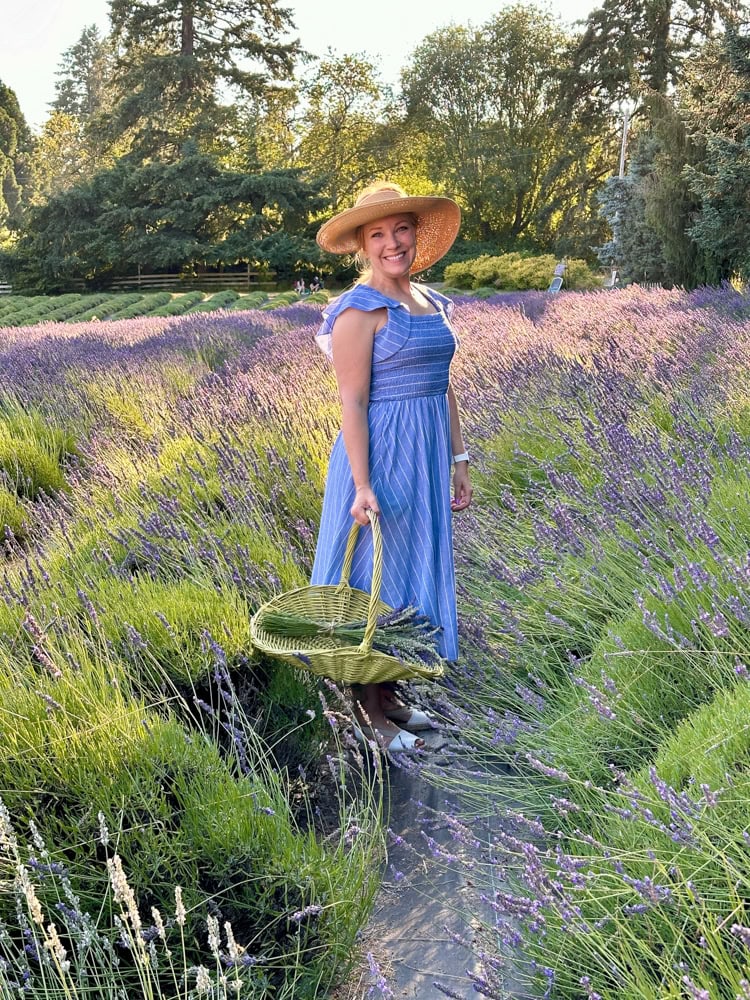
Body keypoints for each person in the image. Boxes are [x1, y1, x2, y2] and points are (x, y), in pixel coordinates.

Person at [311, 181, 473, 751]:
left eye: (400, 229)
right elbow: (352, 402)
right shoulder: (358, 311)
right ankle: (366, 714)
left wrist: (459, 458)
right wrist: (360, 483)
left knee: (406, 574)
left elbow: (444, 388)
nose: (391, 242)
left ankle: (390, 695)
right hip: (379, 458)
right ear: (362, 245)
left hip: (426, 457)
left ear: (415, 233)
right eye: (376, 234)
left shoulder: (432, 303)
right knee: (369, 580)